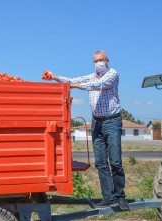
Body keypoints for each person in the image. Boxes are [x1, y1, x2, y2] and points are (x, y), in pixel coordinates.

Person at [43, 50, 129, 211]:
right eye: (95, 61)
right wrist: (55, 77)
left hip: (112, 121)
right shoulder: (91, 76)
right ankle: (108, 197)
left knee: (115, 161)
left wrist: (74, 86)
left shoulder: (113, 75)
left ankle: (120, 196)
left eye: (101, 60)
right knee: (101, 162)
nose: (98, 63)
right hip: (96, 123)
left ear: (107, 61)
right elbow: (71, 80)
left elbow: (96, 86)